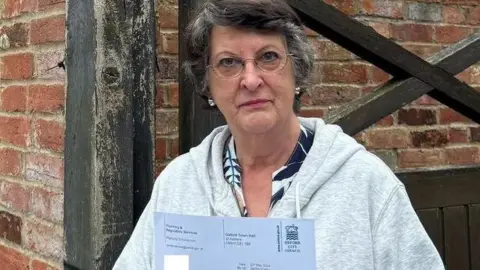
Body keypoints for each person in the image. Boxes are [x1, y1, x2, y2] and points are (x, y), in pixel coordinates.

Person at [113, 0, 444, 269]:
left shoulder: (366, 184)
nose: (251, 79)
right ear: (208, 85)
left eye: (268, 57)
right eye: (229, 63)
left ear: (296, 71)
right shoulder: (178, 184)